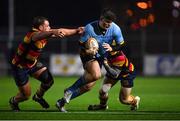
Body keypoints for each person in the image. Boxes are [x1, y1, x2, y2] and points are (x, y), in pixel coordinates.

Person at [56, 8, 140, 112]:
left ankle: (62, 102)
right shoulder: (90, 28)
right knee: (96, 75)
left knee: (88, 86)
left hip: (108, 61)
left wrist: (112, 49)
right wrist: (89, 50)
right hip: (89, 55)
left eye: (110, 23)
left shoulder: (116, 29)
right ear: (101, 19)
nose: (108, 25)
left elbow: (121, 45)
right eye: (106, 22)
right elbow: (81, 44)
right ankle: (70, 90)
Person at [9, 16, 84, 111]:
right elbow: (39, 36)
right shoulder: (33, 35)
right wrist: (53, 32)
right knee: (25, 95)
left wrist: (77, 31)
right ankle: (13, 101)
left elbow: (62, 32)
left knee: (48, 80)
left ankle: (38, 96)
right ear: (40, 27)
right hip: (20, 66)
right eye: (47, 26)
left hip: (32, 64)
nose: (50, 27)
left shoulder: (46, 33)